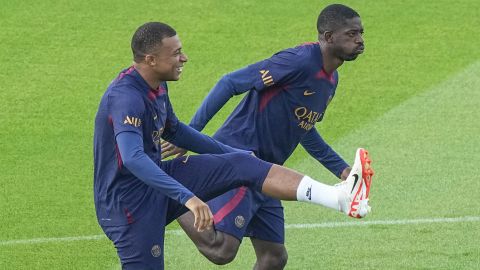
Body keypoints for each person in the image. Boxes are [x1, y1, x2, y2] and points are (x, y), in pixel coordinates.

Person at [93, 21, 373, 270]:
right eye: (176, 53)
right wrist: (186, 198)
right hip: (128, 204)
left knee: (247, 170)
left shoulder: (157, 85)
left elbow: (174, 130)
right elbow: (132, 158)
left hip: (157, 182)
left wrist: (236, 155)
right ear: (151, 59)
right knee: (221, 250)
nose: (185, 57)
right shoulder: (127, 97)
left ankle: (340, 197)